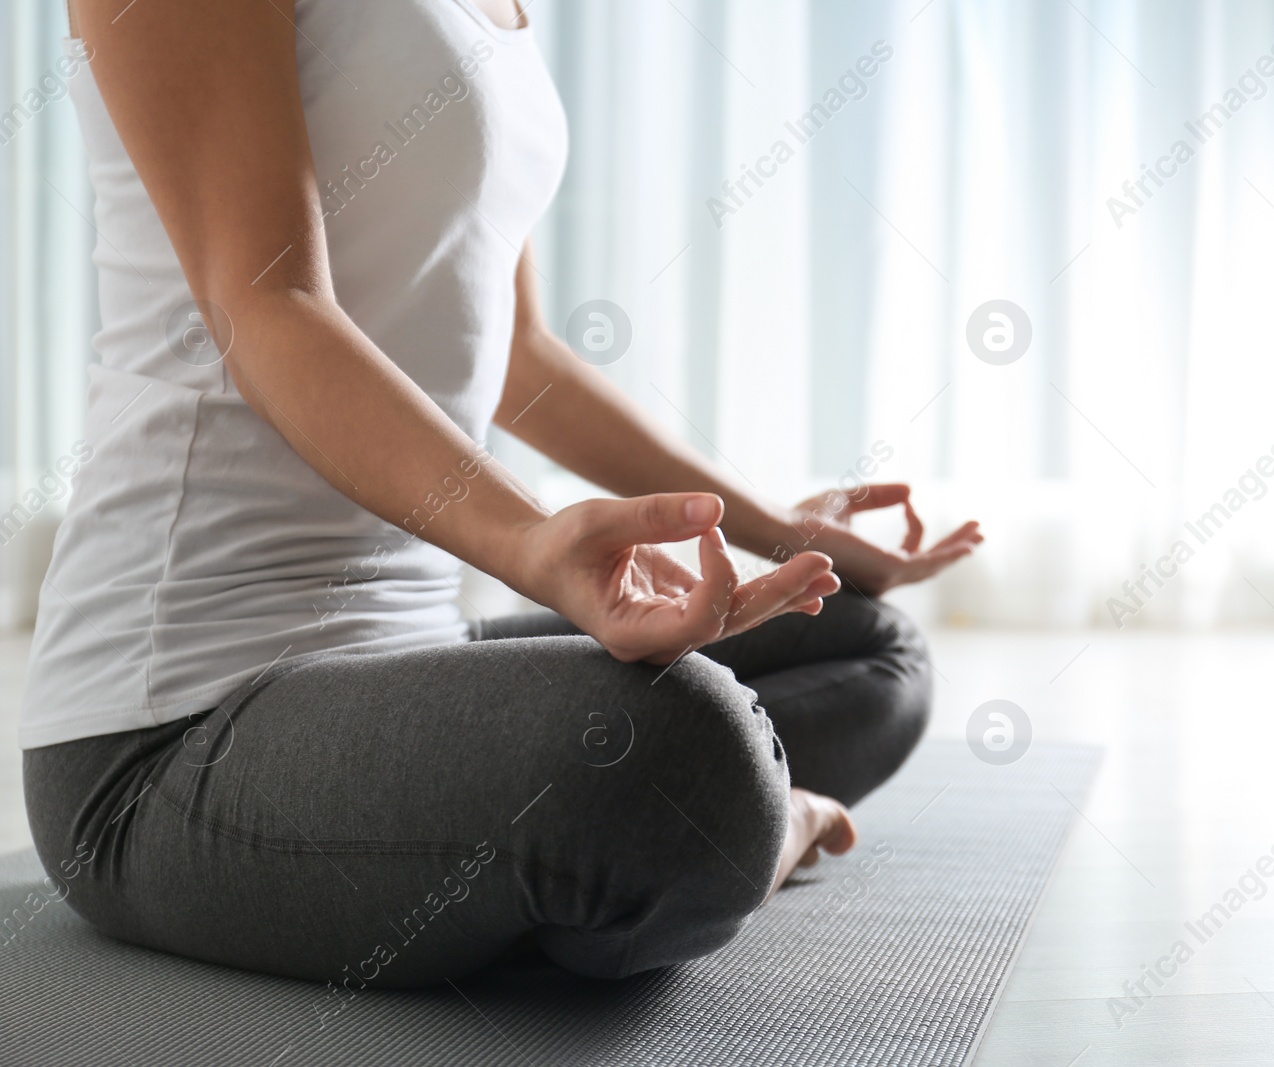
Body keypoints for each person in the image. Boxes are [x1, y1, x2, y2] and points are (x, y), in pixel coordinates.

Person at [20, 0, 982, 986]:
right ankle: (734, 826)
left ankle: (628, 854)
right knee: (686, 748)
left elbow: (519, 357)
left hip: (412, 651)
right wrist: (531, 542)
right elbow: (270, 301)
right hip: (172, 729)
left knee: (868, 644)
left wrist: (778, 534)